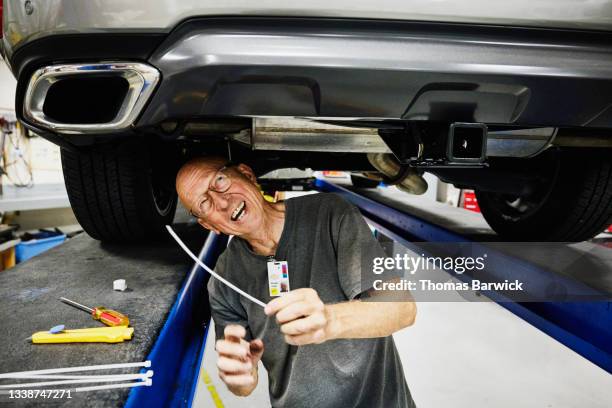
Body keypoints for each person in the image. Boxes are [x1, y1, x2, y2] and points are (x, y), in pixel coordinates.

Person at [176, 157, 417, 408]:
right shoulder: (224, 280)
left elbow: (402, 309)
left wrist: (329, 321)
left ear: (246, 173)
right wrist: (238, 376)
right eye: (205, 203)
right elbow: (244, 386)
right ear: (208, 225)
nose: (222, 202)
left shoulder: (329, 213)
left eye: (220, 181)